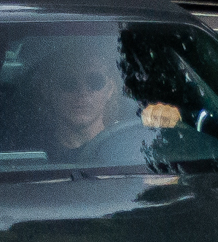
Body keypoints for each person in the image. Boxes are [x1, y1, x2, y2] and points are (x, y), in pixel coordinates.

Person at [27, 39, 182, 163]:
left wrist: (166, 126)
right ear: (48, 90)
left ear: (110, 89)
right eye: (68, 83)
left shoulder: (135, 143)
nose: (82, 92)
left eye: (95, 82)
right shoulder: (27, 152)